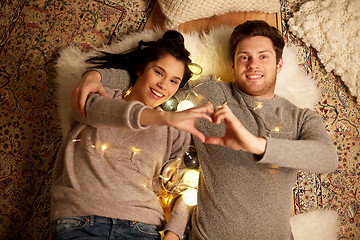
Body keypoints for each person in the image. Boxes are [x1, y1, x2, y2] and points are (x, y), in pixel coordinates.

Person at [71, 21, 339, 239]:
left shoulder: (301, 117)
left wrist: (256, 145)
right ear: (233, 65)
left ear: (278, 64)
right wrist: (98, 76)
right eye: (244, 57)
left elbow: (327, 158)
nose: (253, 64)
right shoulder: (210, 94)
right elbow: (158, 81)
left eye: (263, 57)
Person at [51, 30, 214, 240]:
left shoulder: (175, 130)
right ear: (140, 69)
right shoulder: (99, 95)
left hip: (142, 228)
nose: (163, 85)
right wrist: (165, 118)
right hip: (79, 221)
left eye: (174, 81)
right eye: (159, 72)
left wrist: (173, 234)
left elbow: (182, 186)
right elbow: (118, 113)